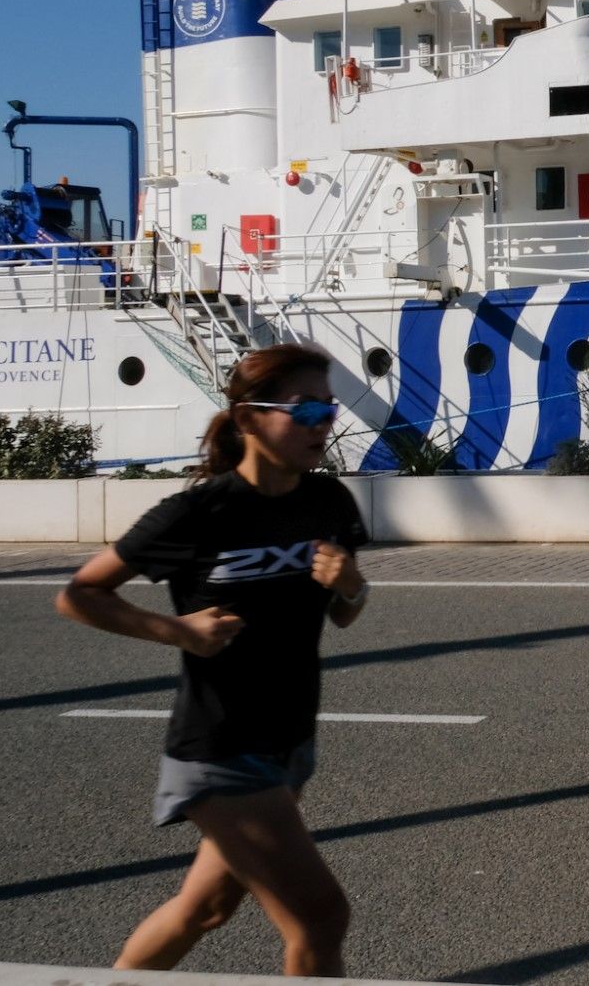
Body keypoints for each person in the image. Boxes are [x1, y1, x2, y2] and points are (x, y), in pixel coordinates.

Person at [55, 345, 370, 975]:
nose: (322, 422)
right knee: (320, 916)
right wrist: (177, 630)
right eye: (304, 407)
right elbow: (78, 594)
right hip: (223, 748)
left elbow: (342, 614)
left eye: (328, 407)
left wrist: (351, 587)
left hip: (289, 742)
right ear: (250, 418)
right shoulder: (202, 511)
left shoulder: (330, 502)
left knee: (205, 909)